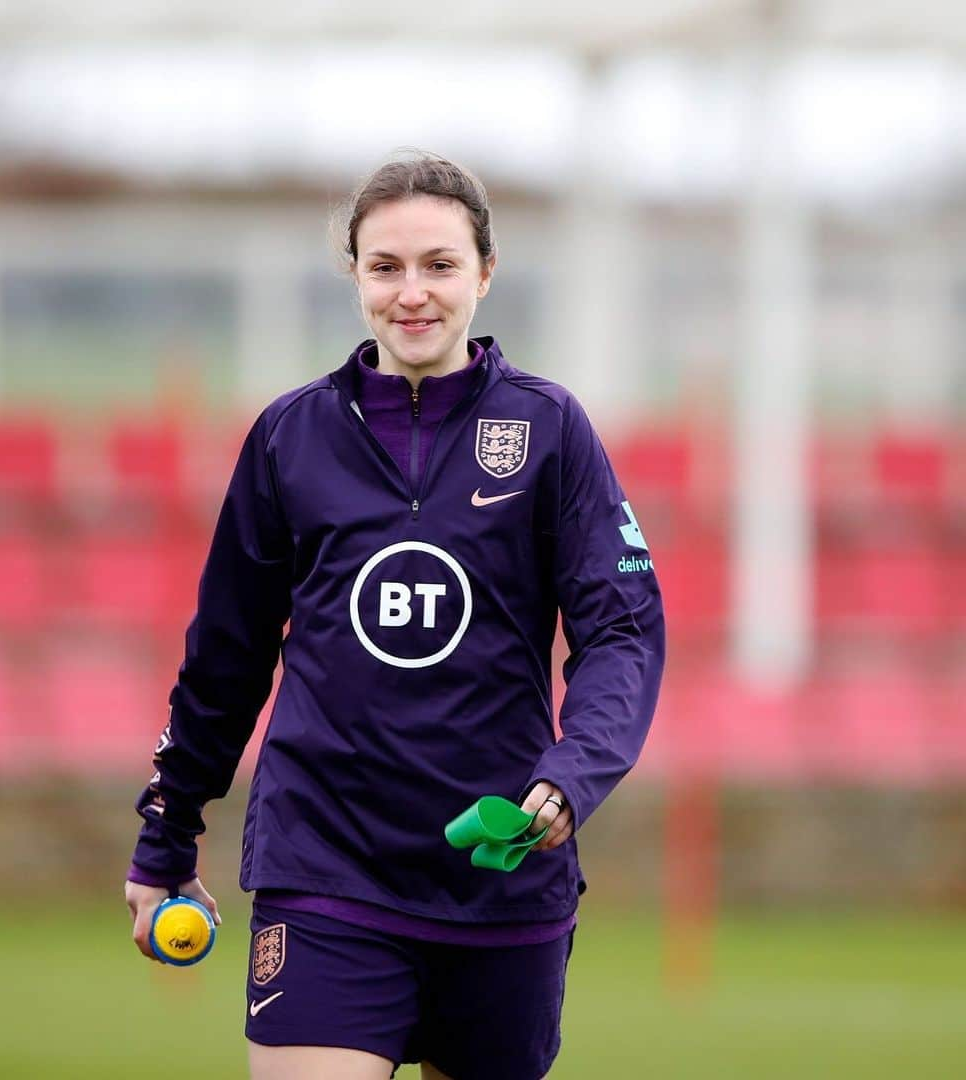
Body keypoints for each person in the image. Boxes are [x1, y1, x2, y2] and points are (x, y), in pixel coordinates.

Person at [125, 151, 665, 1080]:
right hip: (326, 867)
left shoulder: (551, 431)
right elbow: (225, 658)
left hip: (501, 875)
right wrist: (167, 830)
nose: (412, 293)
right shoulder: (289, 437)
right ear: (355, 277)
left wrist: (573, 776)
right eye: (386, 267)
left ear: (486, 274)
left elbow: (623, 629)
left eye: (440, 265)